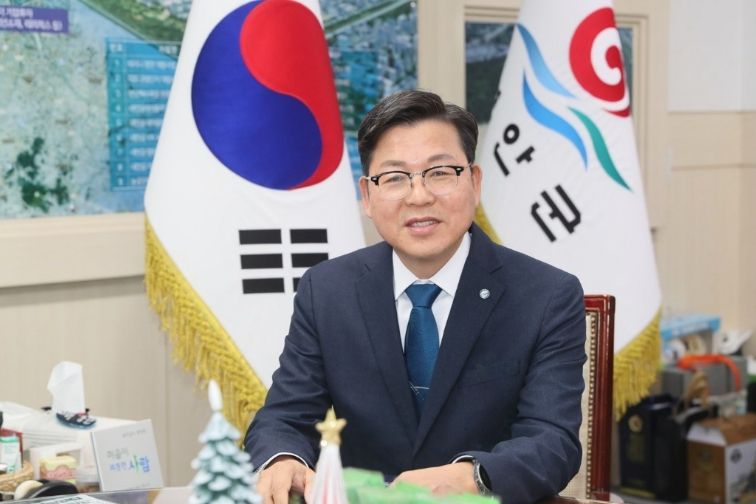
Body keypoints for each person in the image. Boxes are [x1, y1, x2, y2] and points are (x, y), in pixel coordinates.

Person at [244, 90, 586, 504]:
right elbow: (284, 417)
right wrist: (283, 459)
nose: (419, 196)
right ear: (367, 196)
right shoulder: (326, 290)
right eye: (394, 177)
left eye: (440, 172)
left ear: (474, 182)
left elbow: (552, 440)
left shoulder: (546, 296)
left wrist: (471, 477)